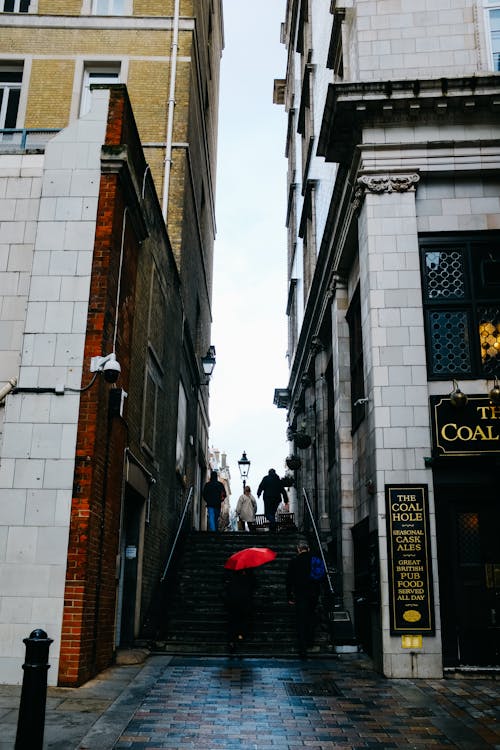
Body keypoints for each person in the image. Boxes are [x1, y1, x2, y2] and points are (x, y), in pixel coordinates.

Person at [286, 540, 324, 658]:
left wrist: (289, 596)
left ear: (298, 549)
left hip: (300, 594)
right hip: (313, 594)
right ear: (308, 548)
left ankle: (302, 648)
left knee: (301, 620)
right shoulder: (315, 559)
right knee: (311, 616)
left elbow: (288, 580)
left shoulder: (294, 561)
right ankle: (310, 641)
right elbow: (320, 577)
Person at [225, 569, 256, 653]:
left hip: (235, 602)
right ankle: (239, 637)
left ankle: (233, 640)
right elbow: (254, 585)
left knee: (234, 622)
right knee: (242, 621)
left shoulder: (232, 574)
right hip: (242, 602)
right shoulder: (249, 574)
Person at [257, 468, 288, 533]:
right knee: (272, 513)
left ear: (269, 473)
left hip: (268, 499)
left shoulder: (266, 478)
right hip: (276, 499)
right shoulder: (278, 480)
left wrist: (258, 493)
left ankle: (273, 523)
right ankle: (272, 529)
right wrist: (286, 500)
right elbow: (283, 491)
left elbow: (261, 486)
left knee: (267, 514)